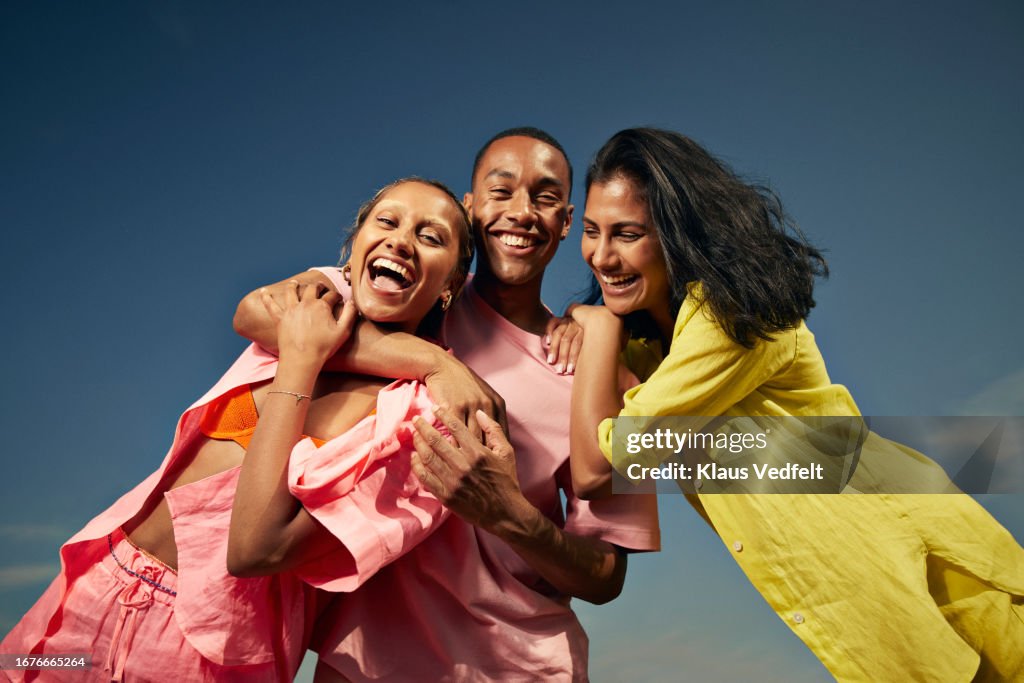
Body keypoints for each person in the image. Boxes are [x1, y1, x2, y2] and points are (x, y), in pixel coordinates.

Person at [567, 127, 1024, 681]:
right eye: (592, 231)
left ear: (675, 234)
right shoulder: (645, 345)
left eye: (627, 233)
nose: (602, 255)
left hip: (911, 550)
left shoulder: (730, 316)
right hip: (856, 568)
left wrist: (593, 331)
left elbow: (608, 462)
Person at [0, 177, 473, 683]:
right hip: (94, 591)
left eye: (432, 236)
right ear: (354, 248)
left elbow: (257, 550)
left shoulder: (422, 418)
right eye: (386, 220)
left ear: (451, 284)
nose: (400, 239)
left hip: (214, 653)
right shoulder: (316, 302)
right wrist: (424, 358)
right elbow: (247, 312)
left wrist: (302, 360)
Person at [234, 127, 660, 681]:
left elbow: (607, 578)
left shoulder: (606, 376)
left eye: (546, 197)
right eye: (501, 191)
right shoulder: (403, 295)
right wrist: (438, 363)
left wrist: (510, 517)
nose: (522, 212)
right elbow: (259, 313)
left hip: (520, 666)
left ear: (565, 222)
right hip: (359, 662)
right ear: (470, 206)